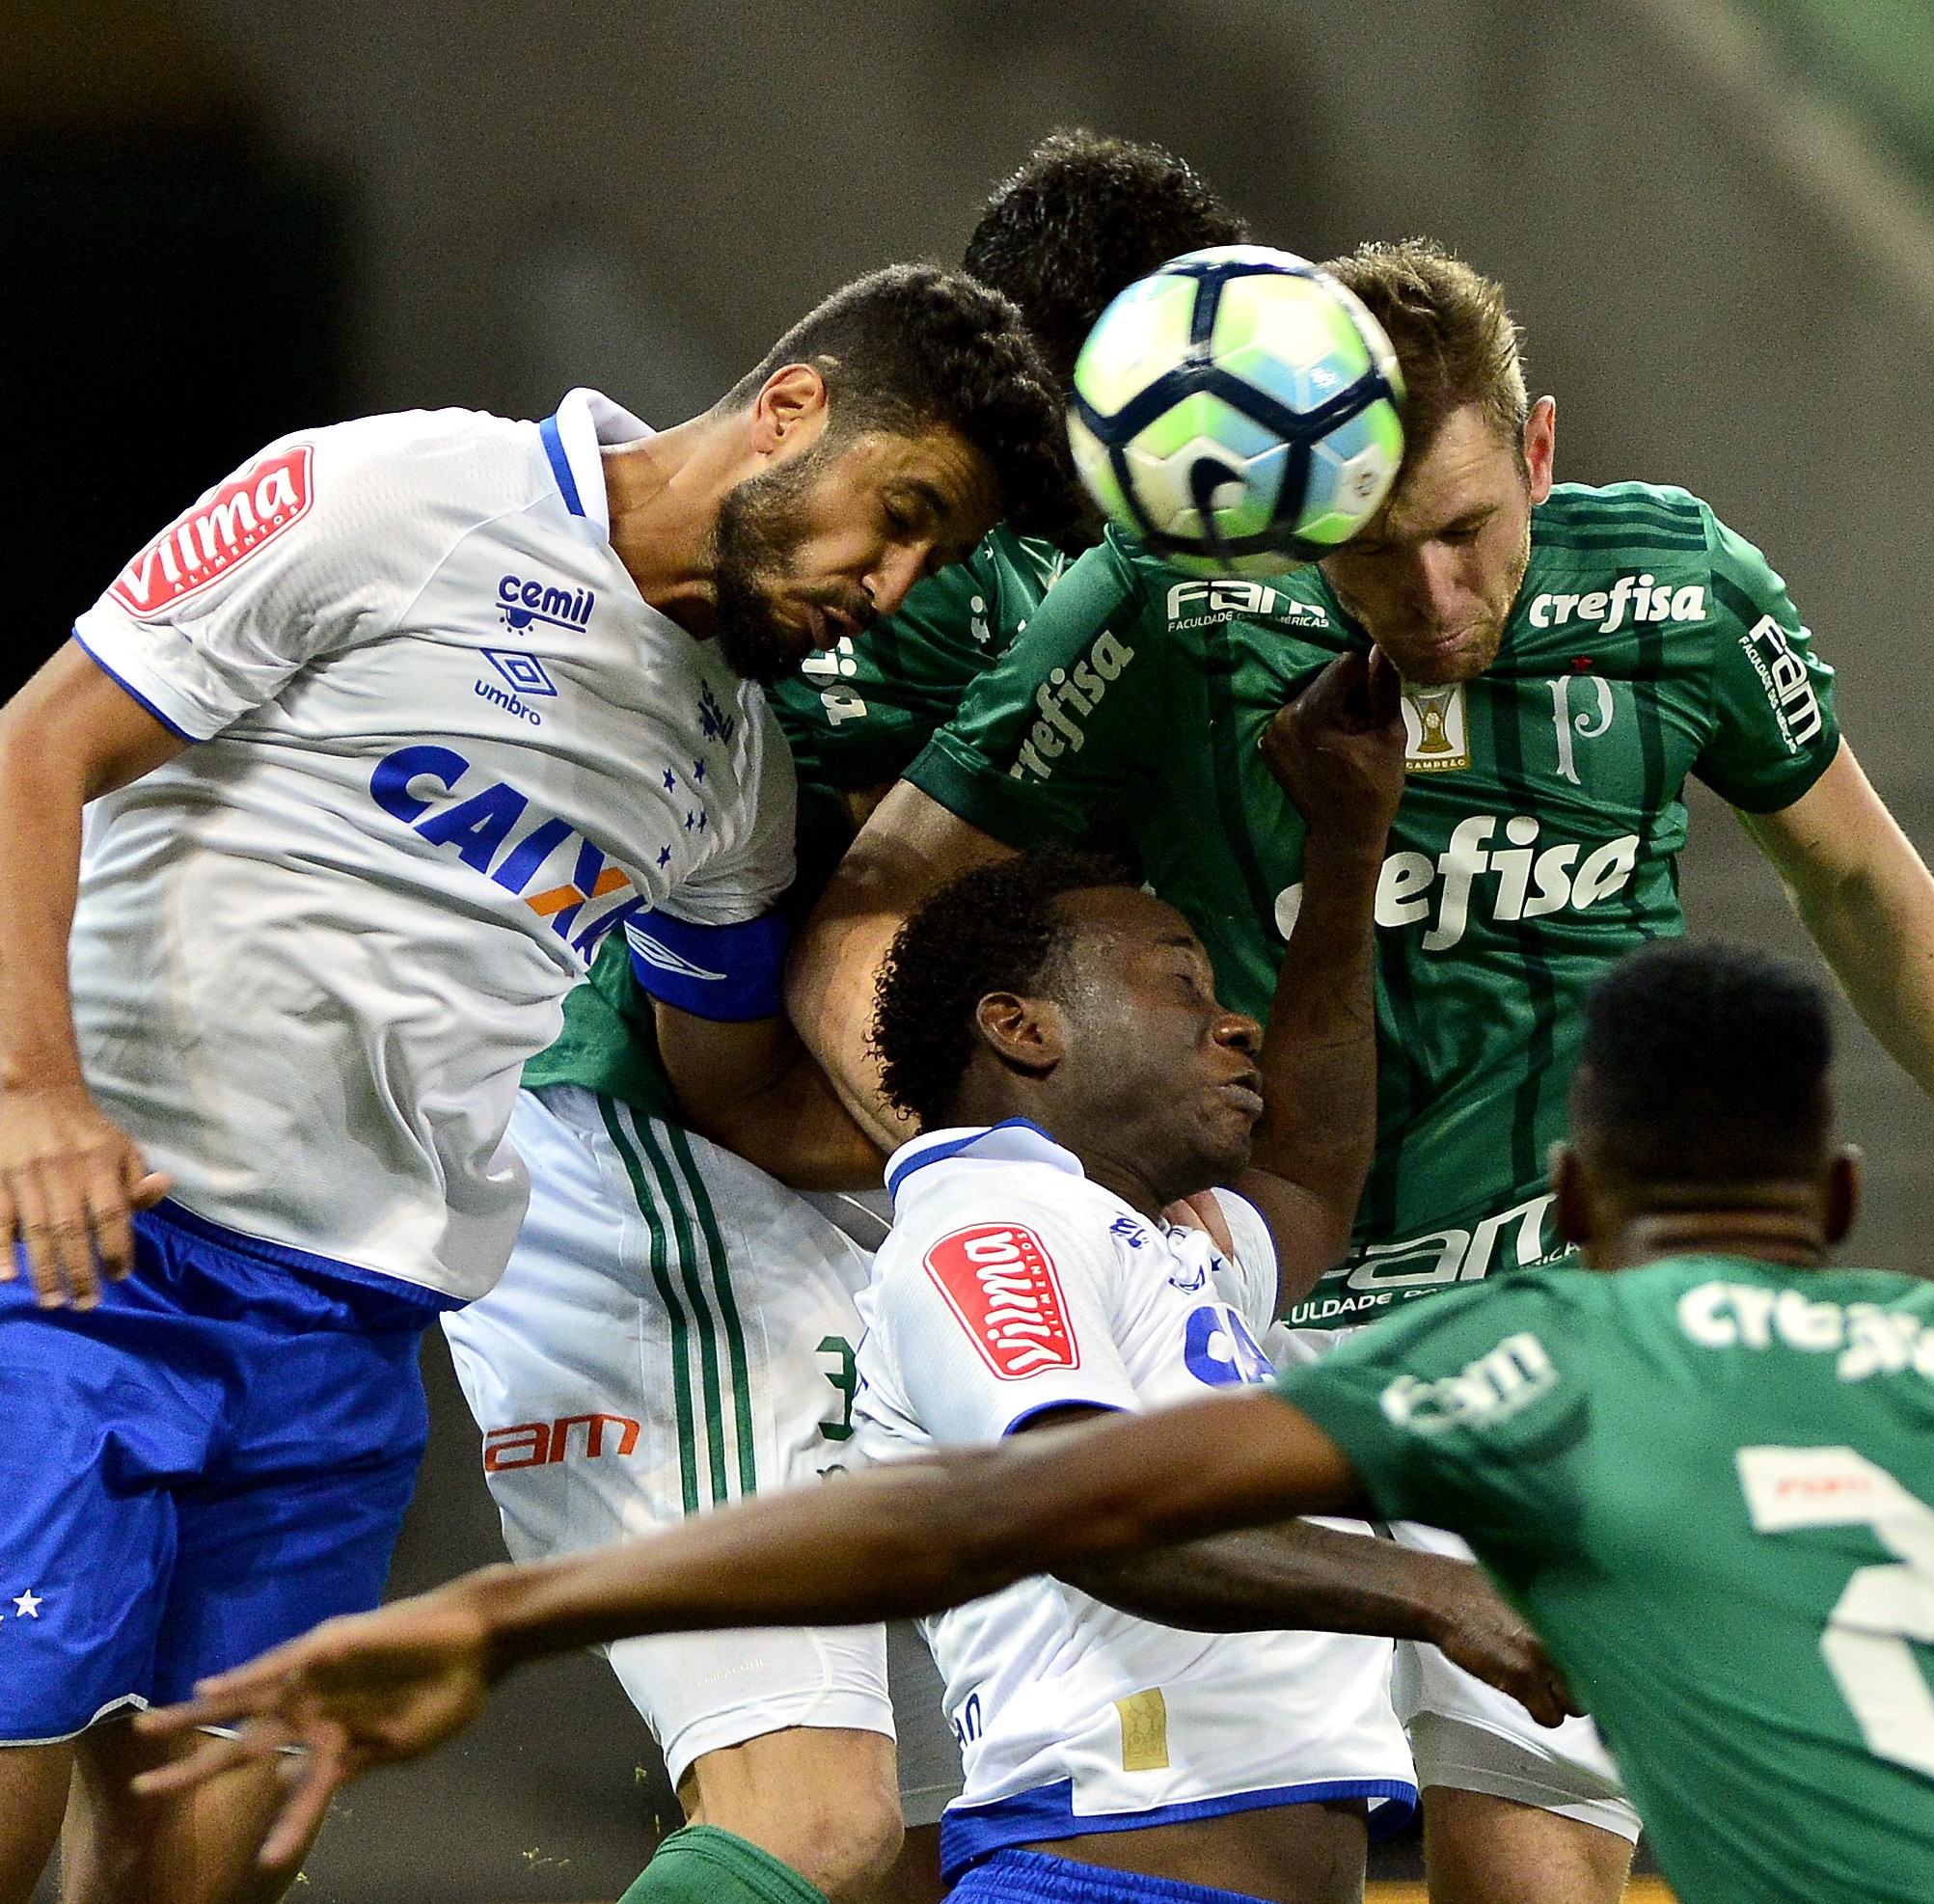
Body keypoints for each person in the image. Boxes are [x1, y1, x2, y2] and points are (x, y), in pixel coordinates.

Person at [787, 235, 1934, 1903]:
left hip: (1534, 1337)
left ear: (1540, 450)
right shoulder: (1163, 617)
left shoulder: (1677, 593)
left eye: (1470, 534)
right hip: (1247, 1331)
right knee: (1217, 1860)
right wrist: (974, 1177)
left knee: (1539, 1878)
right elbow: (873, 907)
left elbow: (1857, 877)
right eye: (1372, 555)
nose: (1430, 604)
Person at [131, 940, 1934, 1904]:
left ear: (1573, 1202)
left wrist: (524, 1610)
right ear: (1851, 1199)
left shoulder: (1542, 1366)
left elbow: (1014, 1510)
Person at [0, 264, 1064, 1904]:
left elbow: (741, 1098)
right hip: (70, 1258)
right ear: (791, 407)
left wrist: (1049, 1158)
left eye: (935, 557)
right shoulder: (392, 492)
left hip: (340, 1349)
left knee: (195, 1884)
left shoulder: (731, 764)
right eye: (897, 513)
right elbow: (27, 759)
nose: (891, 583)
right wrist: (43, 1090)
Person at [441, 131, 1251, 1904]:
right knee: (813, 1820)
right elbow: (732, 1023)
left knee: (951, 1829)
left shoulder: (1058, 585)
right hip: (673, 1178)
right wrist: (988, 1179)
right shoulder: (930, 589)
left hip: (844, 1196)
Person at [845, 659, 1567, 1904]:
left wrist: (1346, 851)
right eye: (1182, 982)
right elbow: (1081, 1506)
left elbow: (1310, 1172)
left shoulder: (1156, 1240)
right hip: (1092, 1880)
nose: (1231, 1023)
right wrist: (1441, 1592)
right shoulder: (992, 1219)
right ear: (1022, 1028)